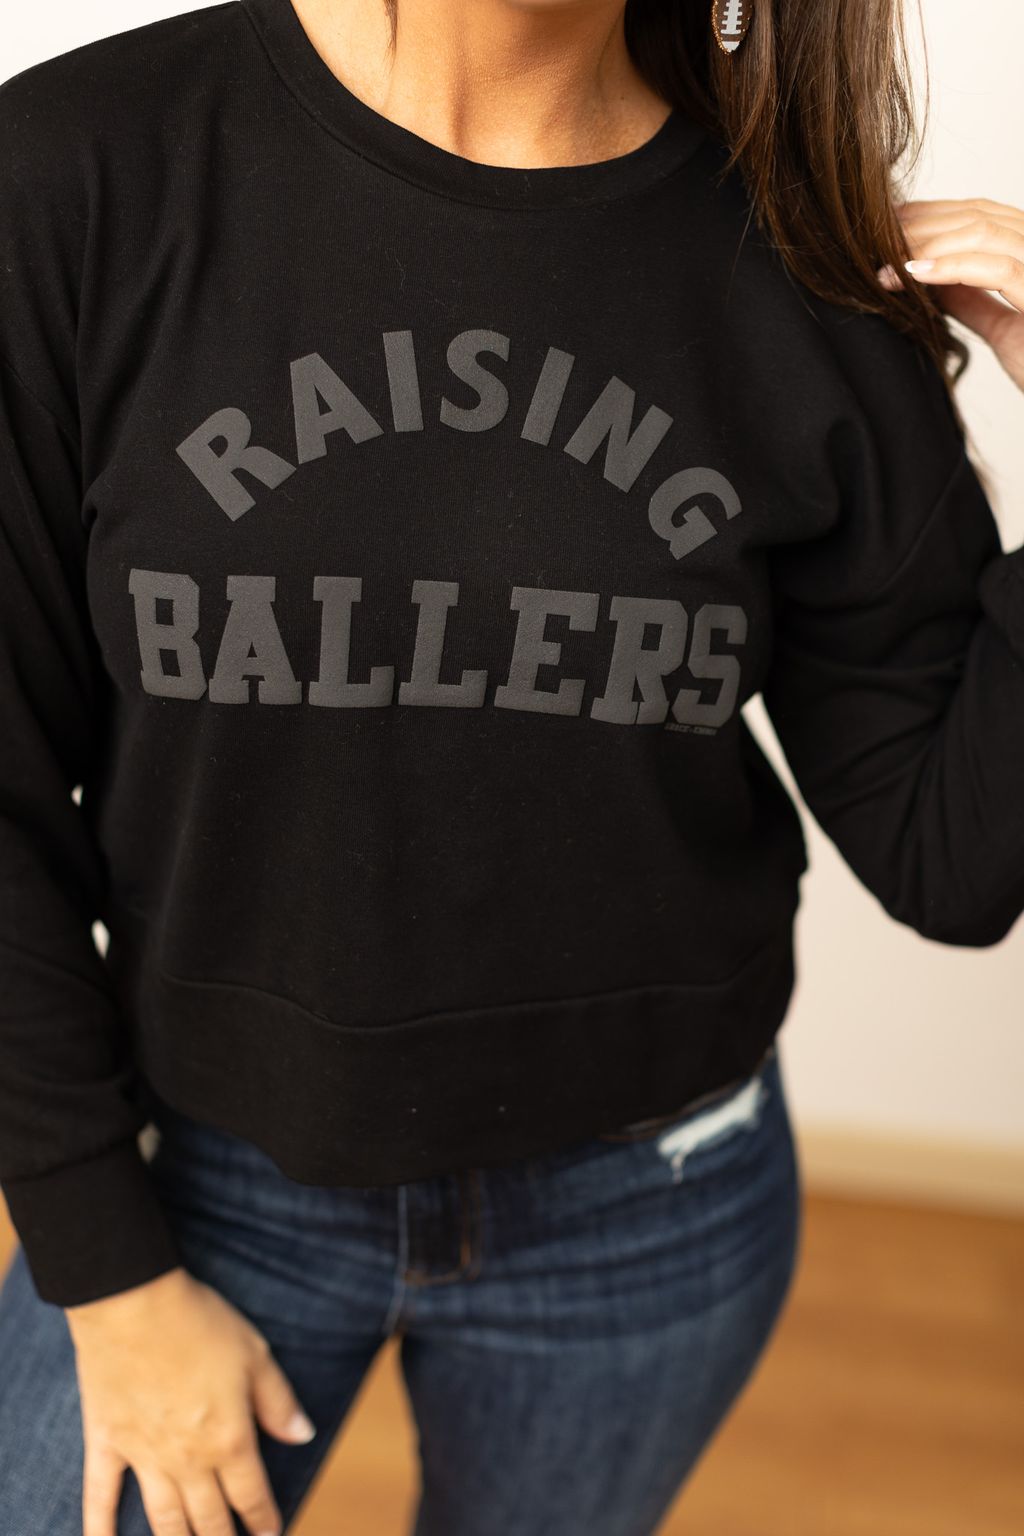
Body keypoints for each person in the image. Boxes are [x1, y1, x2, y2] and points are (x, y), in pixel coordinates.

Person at [0, 0, 1021, 1532]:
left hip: (651, 1212)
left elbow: (956, 860)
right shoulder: (79, 172)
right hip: (204, 1178)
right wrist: (110, 1277)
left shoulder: (801, 260)